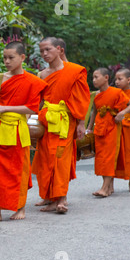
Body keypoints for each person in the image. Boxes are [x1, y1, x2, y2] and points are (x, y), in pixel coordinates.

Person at [0, 42, 47, 223]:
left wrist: (5, 108)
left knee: (18, 169)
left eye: (11, 57)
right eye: (4, 57)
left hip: (18, 130)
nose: (7, 61)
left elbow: (32, 108)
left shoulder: (32, 81)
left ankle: (20, 207)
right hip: (1, 129)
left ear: (22, 58)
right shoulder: (0, 78)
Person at [31, 37, 91, 213]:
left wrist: (81, 123)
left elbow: (81, 99)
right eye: (42, 51)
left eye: (48, 49)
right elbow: (39, 101)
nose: (45, 54)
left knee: (60, 158)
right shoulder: (42, 74)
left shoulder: (74, 71)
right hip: (47, 121)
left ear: (59, 49)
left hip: (65, 120)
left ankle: (61, 198)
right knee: (45, 158)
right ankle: (49, 196)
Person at [86, 68, 130, 197]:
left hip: (112, 127)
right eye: (93, 78)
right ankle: (107, 188)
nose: (94, 80)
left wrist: (122, 113)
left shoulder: (116, 92)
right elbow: (94, 113)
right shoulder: (96, 95)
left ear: (106, 78)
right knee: (101, 158)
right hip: (100, 128)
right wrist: (89, 128)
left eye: (96, 77)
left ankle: (104, 188)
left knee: (109, 157)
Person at [114, 68, 130, 192]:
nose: (117, 82)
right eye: (116, 79)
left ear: (129, 80)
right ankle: (109, 184)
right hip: (116, 126)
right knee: (114, 154)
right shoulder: (114, 93)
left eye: (120, 79)